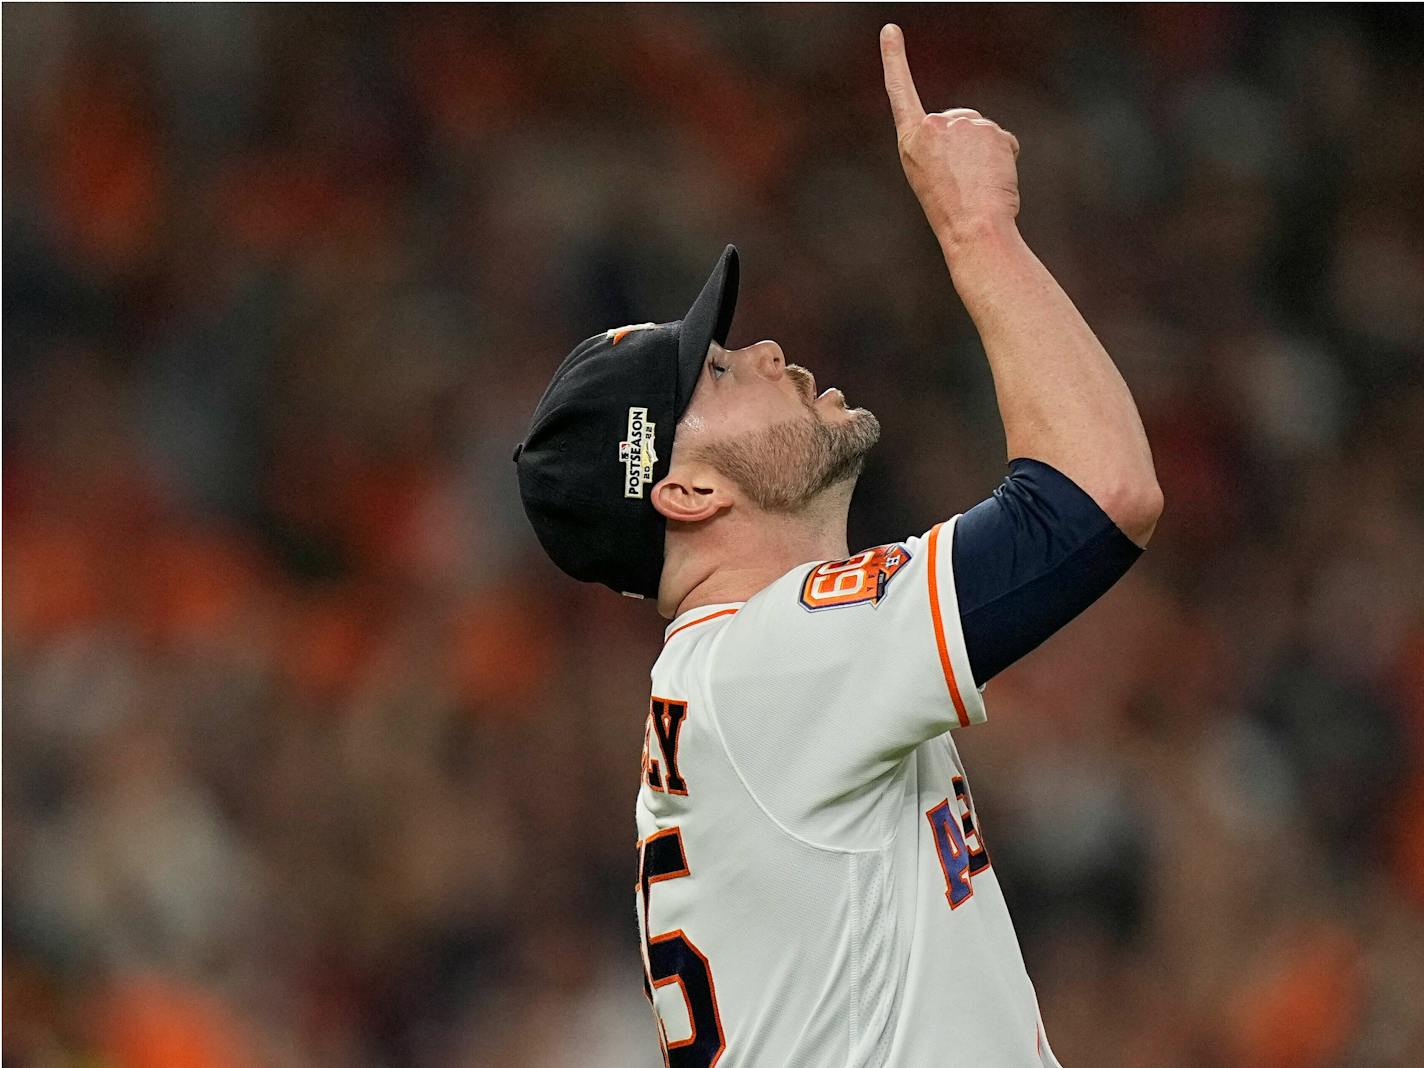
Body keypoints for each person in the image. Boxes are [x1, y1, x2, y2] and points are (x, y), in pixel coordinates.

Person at [513, 24, 1161, 1067]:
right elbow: (1097, 495)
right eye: (718, 375)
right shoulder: (770, 663)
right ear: (682, 490)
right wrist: (974, 226)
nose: (765, 349)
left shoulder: (732, 681)